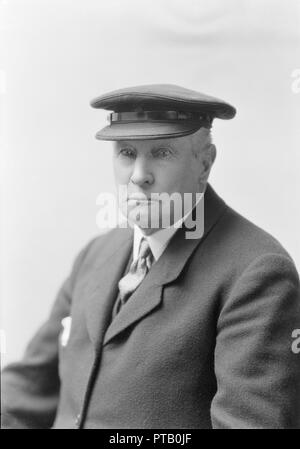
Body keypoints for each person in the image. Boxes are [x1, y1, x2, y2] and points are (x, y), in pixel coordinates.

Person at [1, 84, 300, 429]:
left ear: (205, 162)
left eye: (161, 153)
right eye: (127, 153)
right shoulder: (97, 254)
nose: (139, 176)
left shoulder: (256, 273)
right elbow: (25, 391)